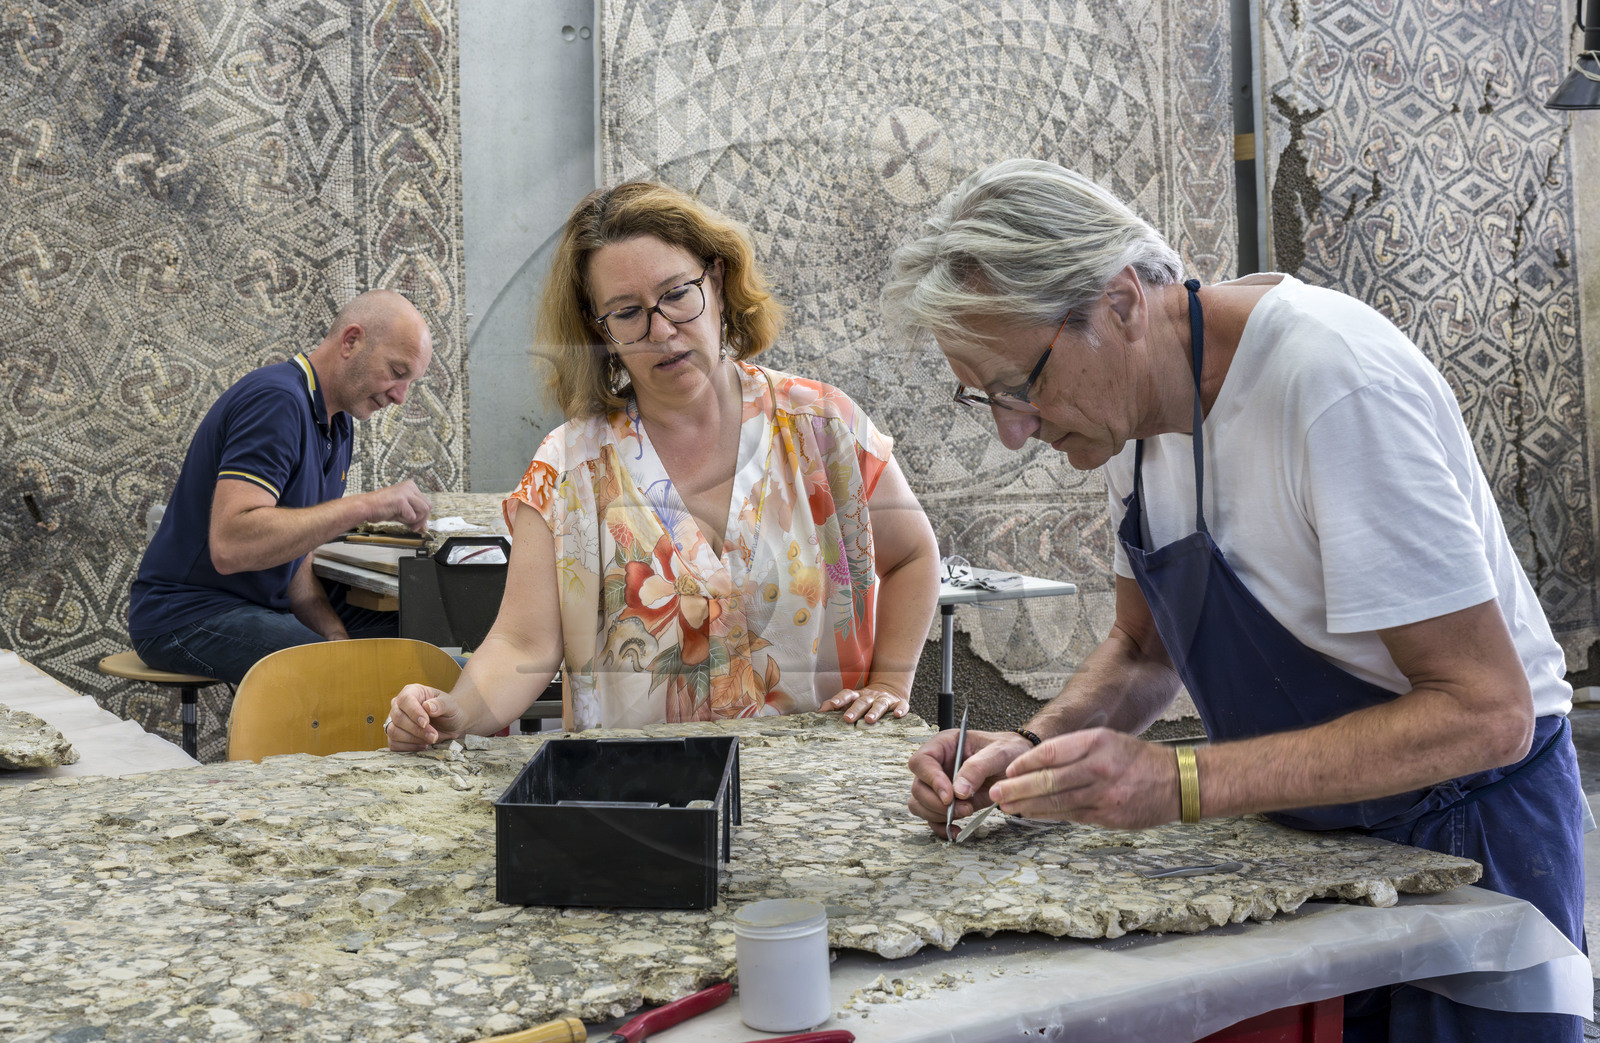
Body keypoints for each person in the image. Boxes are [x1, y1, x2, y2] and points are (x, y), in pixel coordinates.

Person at [887, 159, 1586, 1041]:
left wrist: (1180, 779)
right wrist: (1031, 748)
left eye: (1021, 386)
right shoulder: (1133, 423)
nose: (1013, 429)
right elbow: (1144, 650)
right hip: (1311, 843)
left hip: (1467, 842)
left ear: (1119, 303)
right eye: (981, 396)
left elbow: (1485, 714)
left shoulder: (1330, 383)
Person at [385, 181, 939, 745]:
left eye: (678, 294)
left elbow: (914, 555)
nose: (662, 330)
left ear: (718, 281)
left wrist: (892, 683)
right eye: (627, 313)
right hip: (645, 804)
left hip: (822, 789)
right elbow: (521, 645)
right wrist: (450, 713)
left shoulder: (823, 426)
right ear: (599, 332)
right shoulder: (568, 469)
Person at [129, 290, 434, 685]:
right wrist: (369, 505)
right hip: (185, 616)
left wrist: (334, 632)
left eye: (409, 381)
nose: (399, 396)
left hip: (260, 606)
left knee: (418, 644)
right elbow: (231, 546)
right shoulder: (277, 401)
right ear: (351, 341)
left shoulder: (337, 424)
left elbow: (295, 563)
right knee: (357, 675)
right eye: (396, 371)